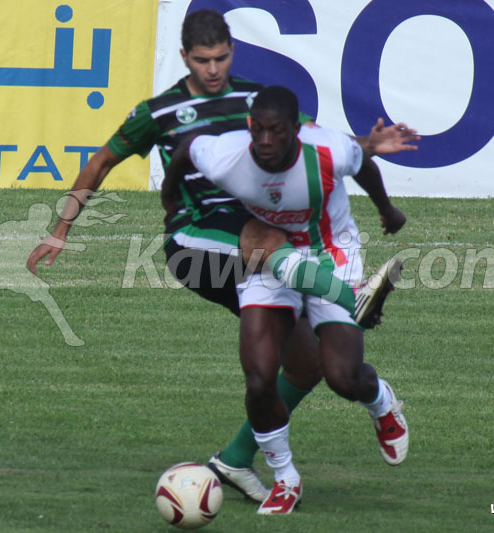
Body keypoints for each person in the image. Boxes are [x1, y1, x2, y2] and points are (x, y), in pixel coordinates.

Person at [27, 9, 415, 502]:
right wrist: (61, 229)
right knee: (265, 240)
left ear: (232, 51)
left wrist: (369, 146)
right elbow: (104, 160)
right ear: (185, 57)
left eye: (222, 58)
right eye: (202, 60)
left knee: (307, 364)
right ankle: (350, 295)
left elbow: (313, 144)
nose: (213, 69)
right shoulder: (160, 112)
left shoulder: (255, 100)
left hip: (263, 239)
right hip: (196, 236)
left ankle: (234, 459)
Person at [161, 85, 414, 514]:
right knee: (259, 379)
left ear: (296, 131)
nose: (264, 141)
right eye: (257, 130)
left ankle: (380, 400)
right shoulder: (227, 156)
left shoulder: (328, 151)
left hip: (331, 255)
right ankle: (285, 478)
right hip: (266, 260)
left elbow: (363, 162)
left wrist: (387, 212)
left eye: (276, 131)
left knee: (343, 378)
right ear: (248, 127)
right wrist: (170, 201)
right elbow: (186, 149)